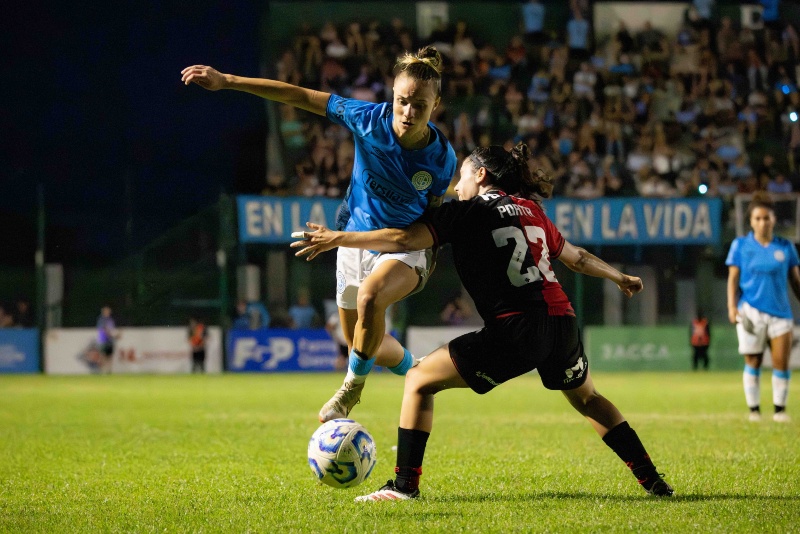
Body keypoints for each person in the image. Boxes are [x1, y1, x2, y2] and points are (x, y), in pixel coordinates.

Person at [292, 143, 674, 500]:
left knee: (419, 380)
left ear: (482, 175)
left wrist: (340, 237)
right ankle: (653, 480)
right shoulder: (531, 209)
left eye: (462, 177)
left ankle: (404, 487)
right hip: (562, 322)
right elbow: (577, 257)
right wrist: (618, 277)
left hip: (515, 329)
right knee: (589, 398)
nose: (457, 187)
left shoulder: (469, 212)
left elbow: (405, 240)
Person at [183, 45, 458, 423]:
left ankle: (350, 391)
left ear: (436, 103)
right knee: (362, 344)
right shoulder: (366, 118)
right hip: (355, 238)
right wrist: (228, 80)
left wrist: (426, 248)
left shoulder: (441, 158)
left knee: (371, 297)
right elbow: (297, 95)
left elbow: (429, 219)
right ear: (392, 93)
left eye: (420, 105)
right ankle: (419, 368)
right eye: (402, 101)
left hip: (405, 245)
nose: (408, 112)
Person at [726, 192, 799, 423]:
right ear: (751, 221)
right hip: (750, 311)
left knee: (781, 362)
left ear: (774, 220)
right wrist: (731, 306)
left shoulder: (786, 247)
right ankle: (754, 411)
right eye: (757, 218)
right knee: (753, 361)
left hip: (781, 313)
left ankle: (779, 411)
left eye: (766, 218)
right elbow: (733, 279)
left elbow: (796, 282)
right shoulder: (740, 245)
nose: (762, 222)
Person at [96, 305, 118, 374]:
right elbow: (103, 329)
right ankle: (102, 370)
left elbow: (112, 330)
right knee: (103, 356)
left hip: (110, 341)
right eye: (106, 311)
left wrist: (115, 335)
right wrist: (110, 334)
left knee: (110, 356)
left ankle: (109, 370)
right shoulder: (101, 320)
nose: (107, 312)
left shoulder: (110, 320)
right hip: (103, 341)